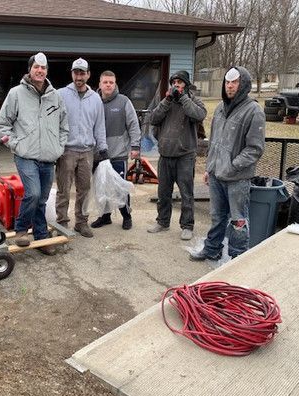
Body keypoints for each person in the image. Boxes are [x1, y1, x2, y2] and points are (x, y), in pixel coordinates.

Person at [0, 52, 68, 255]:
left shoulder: (55, 96)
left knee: (42, 199)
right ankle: (21, 230)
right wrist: (16, 145)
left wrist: (59, 146)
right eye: (36, 67)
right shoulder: (16, 94)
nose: (40, 71)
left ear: (47, 71)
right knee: (33, 193)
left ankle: (41, 237)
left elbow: (64, 125)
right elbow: (2, 124)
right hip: (25, 156)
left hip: (48, 157)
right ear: (30, 69)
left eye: (43, 68)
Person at [190, 66, 265, 261]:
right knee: (217, 217)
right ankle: (212, 249)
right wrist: (209, 168)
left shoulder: (253, 111)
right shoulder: (220, 109)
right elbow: (214, 142)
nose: (230, 86)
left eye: (235, 82)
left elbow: (255, 149)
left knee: (238, 220)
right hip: (216, 175)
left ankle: (237, 256)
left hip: (237, 179)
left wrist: (233, 165)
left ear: (244, 85)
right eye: (227, 82)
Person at [147, 70, 207, 240]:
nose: (176, 85)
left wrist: (183, 98)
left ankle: (187, 225)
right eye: (174, 82)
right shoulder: (166, 101)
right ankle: (163, 222)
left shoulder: (194, 101)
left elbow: (199, 115)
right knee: (163, 192)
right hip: (165, 154)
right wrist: (167, 99)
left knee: (186, 193)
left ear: (186, 85)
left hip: (185, 156)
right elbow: (153, 118)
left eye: (180, 82)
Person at [56, 58, 108, 238]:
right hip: (66, 151)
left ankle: (81, 222)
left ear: (88, 74)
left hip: (87, 152)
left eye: (82, 73)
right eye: (76, 72)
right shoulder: (60, 94)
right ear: (72, 74)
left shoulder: (95, 99)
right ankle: (62, 222)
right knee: (64, 189)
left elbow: (99, 126)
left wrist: (103, 148)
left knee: (84, 190)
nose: (79, 76)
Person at [90, 70, 141, 230]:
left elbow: (133, 124)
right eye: (105, 82)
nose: (108, 85)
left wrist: (135, 146)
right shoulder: (92, 101)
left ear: (115, 83)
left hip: (117, 154)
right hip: (98, 155)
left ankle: (126, 216)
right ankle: (105, 217)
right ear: (99, 84)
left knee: (120, 187)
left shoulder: (123, 101)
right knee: (101, 186)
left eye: (111, 82)